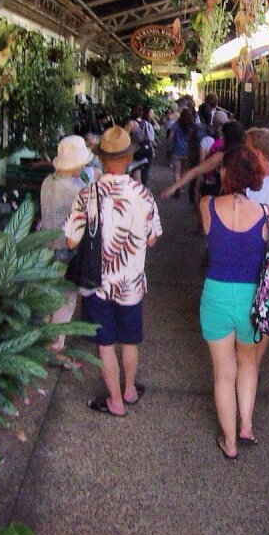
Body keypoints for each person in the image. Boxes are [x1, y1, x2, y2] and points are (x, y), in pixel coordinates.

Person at [64, 126, 162, 417]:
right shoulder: (143, 195)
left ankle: (115, 401)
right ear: (129, 157)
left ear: (102, 159)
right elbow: (153, 239)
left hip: (97, 284)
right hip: (130, 282)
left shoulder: (87, 193)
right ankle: (129, 390)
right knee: (129, 340)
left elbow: (71, 240)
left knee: (106, 345)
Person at [198, 144, 269, 460]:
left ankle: (229, 443)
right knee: (247, 363)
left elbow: (213, 241)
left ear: (225, 173)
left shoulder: (206, 205)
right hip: (250, 299)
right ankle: (247, 426)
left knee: (223, 372)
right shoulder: (268, 213)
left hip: (215, 296)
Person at [39, 135, 93, 365]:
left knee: (47, 296)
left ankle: (42, 343)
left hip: (44, 246)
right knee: (65, 300)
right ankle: (56, 348)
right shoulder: (78, 189)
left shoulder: (47, 182)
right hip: (67, 249)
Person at [161, 120, 245, 200]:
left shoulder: (222, 156)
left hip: (225, 198)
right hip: (244, 199)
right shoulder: (248, 155)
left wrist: (174, 187)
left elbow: (196, 171)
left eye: (222, 136)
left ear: (226, 138)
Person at [167, 107, 197, 198]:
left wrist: (169, 147)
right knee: (184, 171)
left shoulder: (176, 125)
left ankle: (177, 189)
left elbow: (170, 137)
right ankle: (181, 187)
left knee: (176, 171)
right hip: (188, 152)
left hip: (176, 150)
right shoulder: (193, 127)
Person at [127, 104, 156, 186]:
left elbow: (124, 137)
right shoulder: (146, 123)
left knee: (136, 171)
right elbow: (151, 138)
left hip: (135, 150)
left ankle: (138, 191)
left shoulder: (131, 123)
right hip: (147, 150)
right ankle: (144, 189)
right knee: (145, 173)